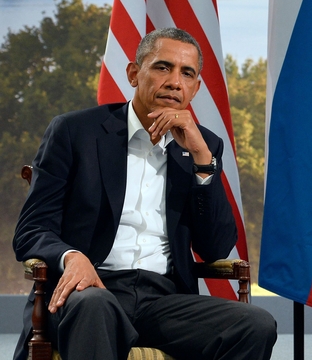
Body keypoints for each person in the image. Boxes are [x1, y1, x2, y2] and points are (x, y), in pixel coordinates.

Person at [13, 28, 278, 360]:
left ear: (195, 88)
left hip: (162, 301)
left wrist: (202, 161)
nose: (174, 81)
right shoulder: (75, 132)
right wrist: (71, 257)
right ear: (134, 74)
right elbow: (31, 231)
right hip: (90, 290)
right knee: (94, 305)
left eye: (187, 73)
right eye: (162, 67)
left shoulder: (203, 146)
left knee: (256, 324)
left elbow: (214, 247)